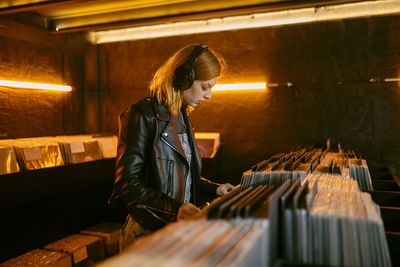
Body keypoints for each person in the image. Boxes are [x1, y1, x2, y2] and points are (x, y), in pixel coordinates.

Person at [109, 44, 235, 251]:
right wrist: (175, 209)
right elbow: (127, 185)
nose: (209, 95)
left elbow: (181, 179)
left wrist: (216, 189)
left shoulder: (183, 118)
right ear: (184, 78)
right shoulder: (142, 114)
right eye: (205, 86)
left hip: (175, 230)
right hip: (147, 235)